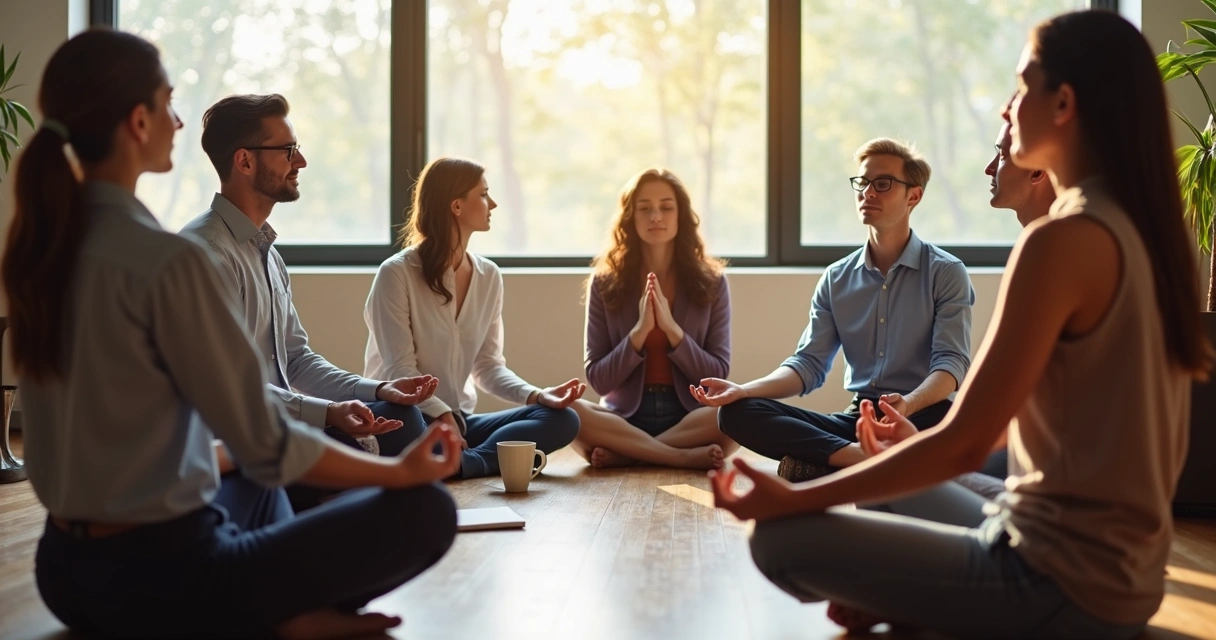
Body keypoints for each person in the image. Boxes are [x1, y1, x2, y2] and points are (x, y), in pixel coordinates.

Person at [710, 10, 1214, 638]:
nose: (1006, 109)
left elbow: (967, 440)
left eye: (1021, 85)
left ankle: (924, 600)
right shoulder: (1137, 229)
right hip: (1122, 580)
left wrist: (791, 498)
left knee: (779, 542)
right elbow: (1007, 430)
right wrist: (904, 449)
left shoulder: (1062, 239)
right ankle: (917, 595)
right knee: (886, 481)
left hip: (1058, 583)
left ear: (1064, 103)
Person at [4, 29, 462, 640]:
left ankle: (265, 603)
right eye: (168, 102)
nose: (177, 117)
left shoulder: (43, 251)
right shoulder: (172, 259)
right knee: (428, 510)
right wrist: (400, 476)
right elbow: (267, 440)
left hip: (63, 571)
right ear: (138, 122)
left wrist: (366, 399)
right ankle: (268, 618)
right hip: (163, 576)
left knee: (249, 474)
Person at [181, 93, 439, 508]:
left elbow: (297, 360)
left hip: (287, 422)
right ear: (244, 161)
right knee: (378, 451)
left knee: (404, 417)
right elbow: (226, 389)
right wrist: (326, 413)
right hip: (238, 439)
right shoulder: (205, 255)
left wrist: (381, 388)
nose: (300, 162)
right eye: (288, 151)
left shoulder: (267, 253)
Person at [696, 138, 976, 482]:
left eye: (883, 184)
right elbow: (807, 365)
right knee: (735, 414)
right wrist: (745, 390)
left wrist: (908, 403)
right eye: (862, 182)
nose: (868, 192)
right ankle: (862, 458)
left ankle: (829, 462)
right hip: (859, 419)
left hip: (923, 415)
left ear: (913, 196)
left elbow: (951, 365)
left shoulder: (946, 272)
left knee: (949, 430)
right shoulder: (837, 278)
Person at [363, 156, 582, 479]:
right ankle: (466, 459)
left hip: (460, 419)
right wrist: (443, 416)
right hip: (408, 415)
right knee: (404, 424)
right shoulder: (396, 274)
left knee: (563, 419)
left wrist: (538, 395)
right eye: (483, 194)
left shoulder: (488, 275)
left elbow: (488, 367)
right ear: (456, 206)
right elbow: (400, 371)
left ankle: (463, 463)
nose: (492, 203)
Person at [573, 168, 736, 470]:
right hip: (623, 419)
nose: (656, 216)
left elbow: (718, 375)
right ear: (630, 218)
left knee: (742, 410)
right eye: (644, 208)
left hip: (690, 417)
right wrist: (639, 332)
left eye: (666, 207)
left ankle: (630, 455)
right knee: (568, 410)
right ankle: (677, 456)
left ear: (681, 215)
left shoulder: (713, 282)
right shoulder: (604, 282)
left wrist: (673, 331)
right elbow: (598, 379)